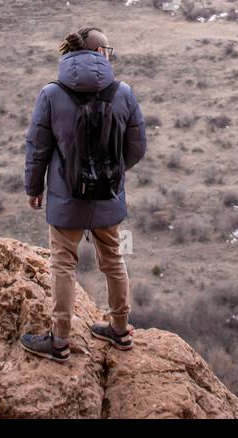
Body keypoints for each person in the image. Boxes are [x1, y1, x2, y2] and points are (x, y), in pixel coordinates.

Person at [20, 27, 146, 361]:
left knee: (62, 264)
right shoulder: (124, 93)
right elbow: (136, 148)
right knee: (114, 261)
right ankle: (120, 331)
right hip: (108, 195)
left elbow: (37, 148)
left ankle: (59, 341)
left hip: (65, 197)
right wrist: (110, 174)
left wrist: (35, 188)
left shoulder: (51, 94)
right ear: (101, 53)